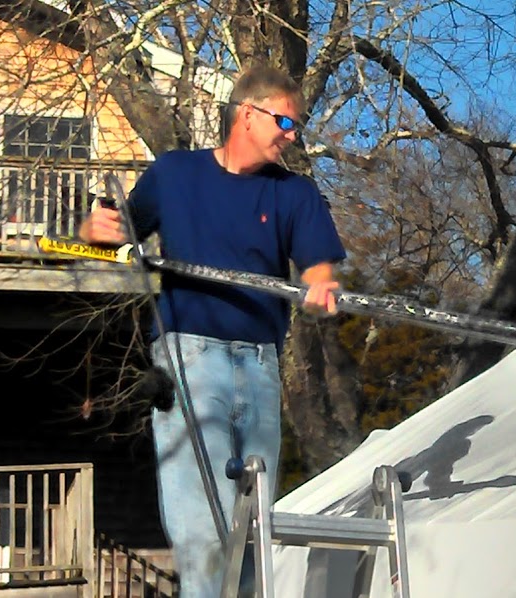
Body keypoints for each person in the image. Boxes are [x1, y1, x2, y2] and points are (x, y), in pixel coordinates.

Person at [79, 63, 346, 597]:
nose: (291, 138)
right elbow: (115, 236)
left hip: (261, 365)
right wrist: (94, 231)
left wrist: (321, 292)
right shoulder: (175, 174)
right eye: (285, 124)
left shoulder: (295, 194)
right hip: (190, 360)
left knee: (251, 531)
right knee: (204, 529)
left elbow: (319, 272)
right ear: (248, 113)